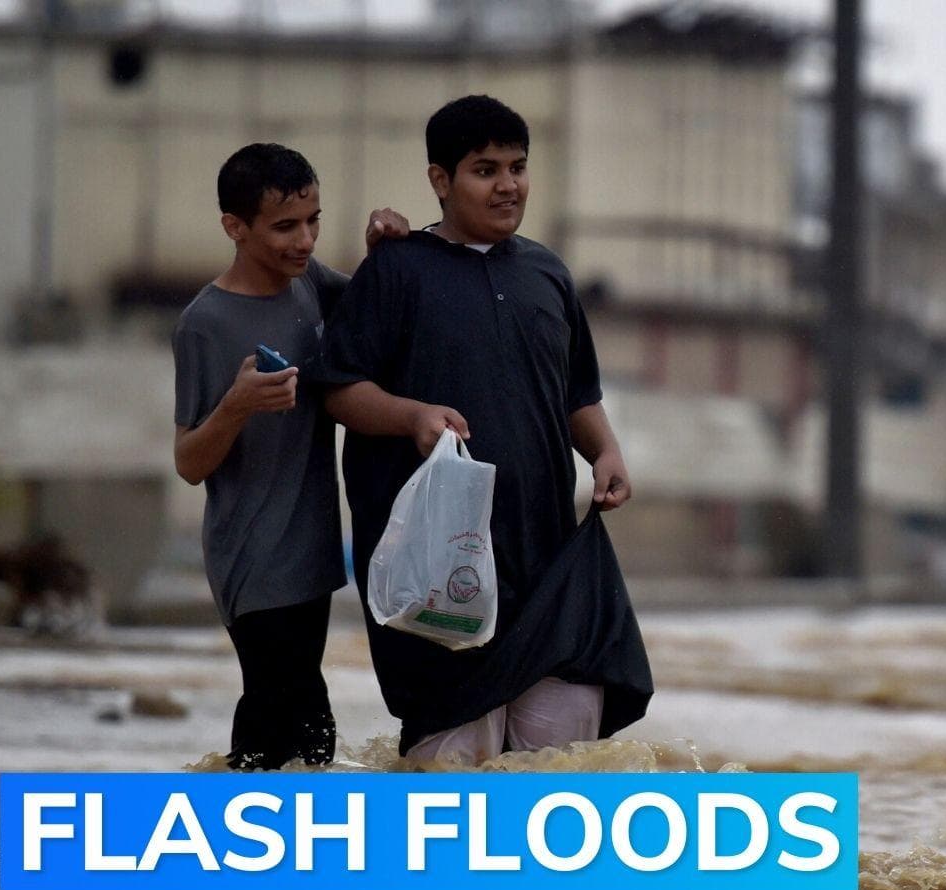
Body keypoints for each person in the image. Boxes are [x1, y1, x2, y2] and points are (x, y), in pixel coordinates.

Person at [316, 95, 654, 764]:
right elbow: (339, 389)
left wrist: (606, 451)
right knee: (448, 785)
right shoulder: (396, 269)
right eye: (484, 169)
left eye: (518, 167)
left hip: (547, 562)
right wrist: (412, 416)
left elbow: (576, 393)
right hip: (441, 569)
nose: (507, 185)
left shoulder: (547, 274)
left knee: (558, 779)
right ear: (440, 181)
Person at [172, 143, 410, 770]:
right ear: (235, 227)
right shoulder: (205, 322)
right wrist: (237, 404)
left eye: (314, 222)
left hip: (311, 552)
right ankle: (241, 850)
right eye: (284, 227)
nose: (304, 240)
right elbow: (189, 463)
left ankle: (251, 850)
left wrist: (385, 250)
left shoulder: (308, 284)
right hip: (250, 556)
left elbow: (372, 310)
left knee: (297, 728)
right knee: (295, 719)